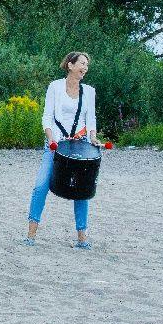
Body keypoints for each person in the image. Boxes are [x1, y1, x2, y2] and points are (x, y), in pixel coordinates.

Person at [24, 51, 97, 249]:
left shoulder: (89, 91)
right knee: (41, 186)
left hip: (80, 145)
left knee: (82, 190)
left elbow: (91, 121)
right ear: (70, 65)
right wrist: (51, 139)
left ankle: (82, 239)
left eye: (87, 65)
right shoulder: (55, 86)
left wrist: (93, 138)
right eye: (82, 63)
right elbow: (47, 117)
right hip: (55, 145)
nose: (85, 68)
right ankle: (30, 236)